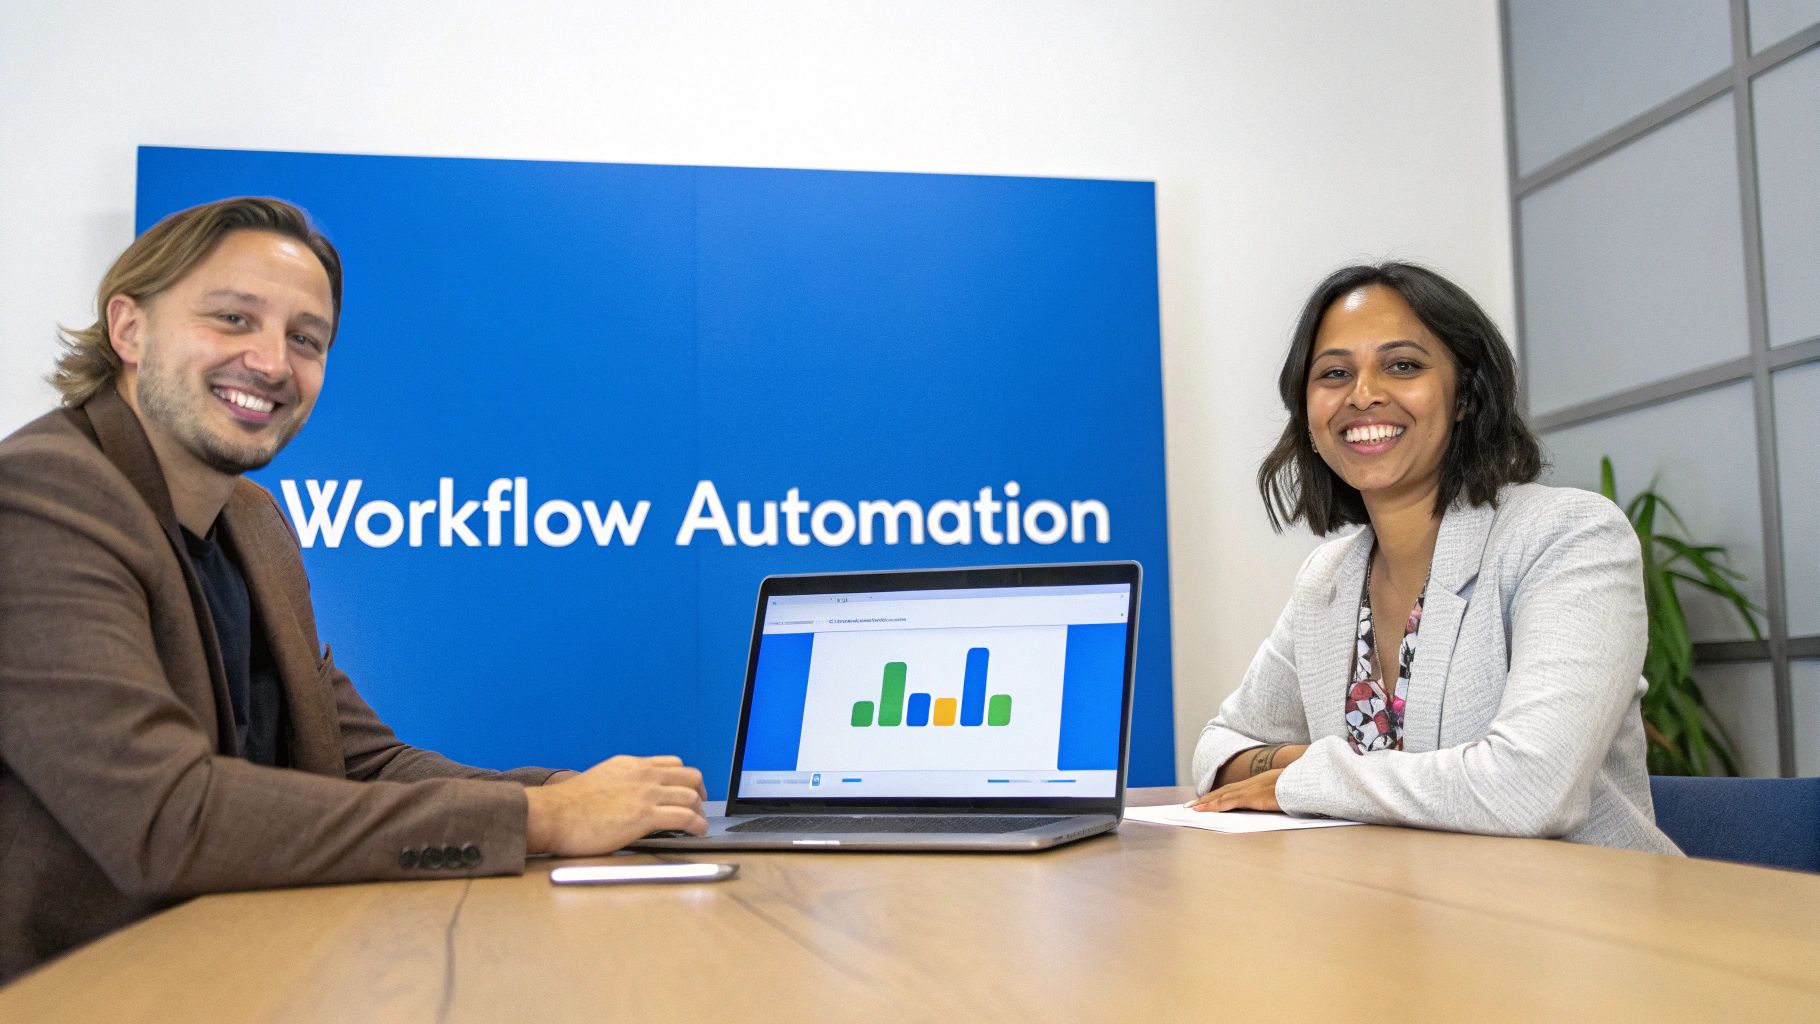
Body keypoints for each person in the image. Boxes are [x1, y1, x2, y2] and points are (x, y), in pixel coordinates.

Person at [0, 197, 710, 981]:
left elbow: (360, 762)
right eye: (234, 319)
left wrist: (577, 794)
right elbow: (166, 819)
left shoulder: (252, 521)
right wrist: (538, 818)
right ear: (128, 329)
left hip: (229, 975)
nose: (273, 363)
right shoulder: (38, 499)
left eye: (306, 339)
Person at [1188, 261, 1678, 855]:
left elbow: (1530, 790)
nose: (1363, 395)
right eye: (1335, 373)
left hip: (1579, 907)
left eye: (1402, 366)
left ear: (1465, 395)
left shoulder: (1567, 536)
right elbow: (1218, 750)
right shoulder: (1329, 579)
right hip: (1395, 902)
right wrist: (1311, 762)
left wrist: (1306, 777)